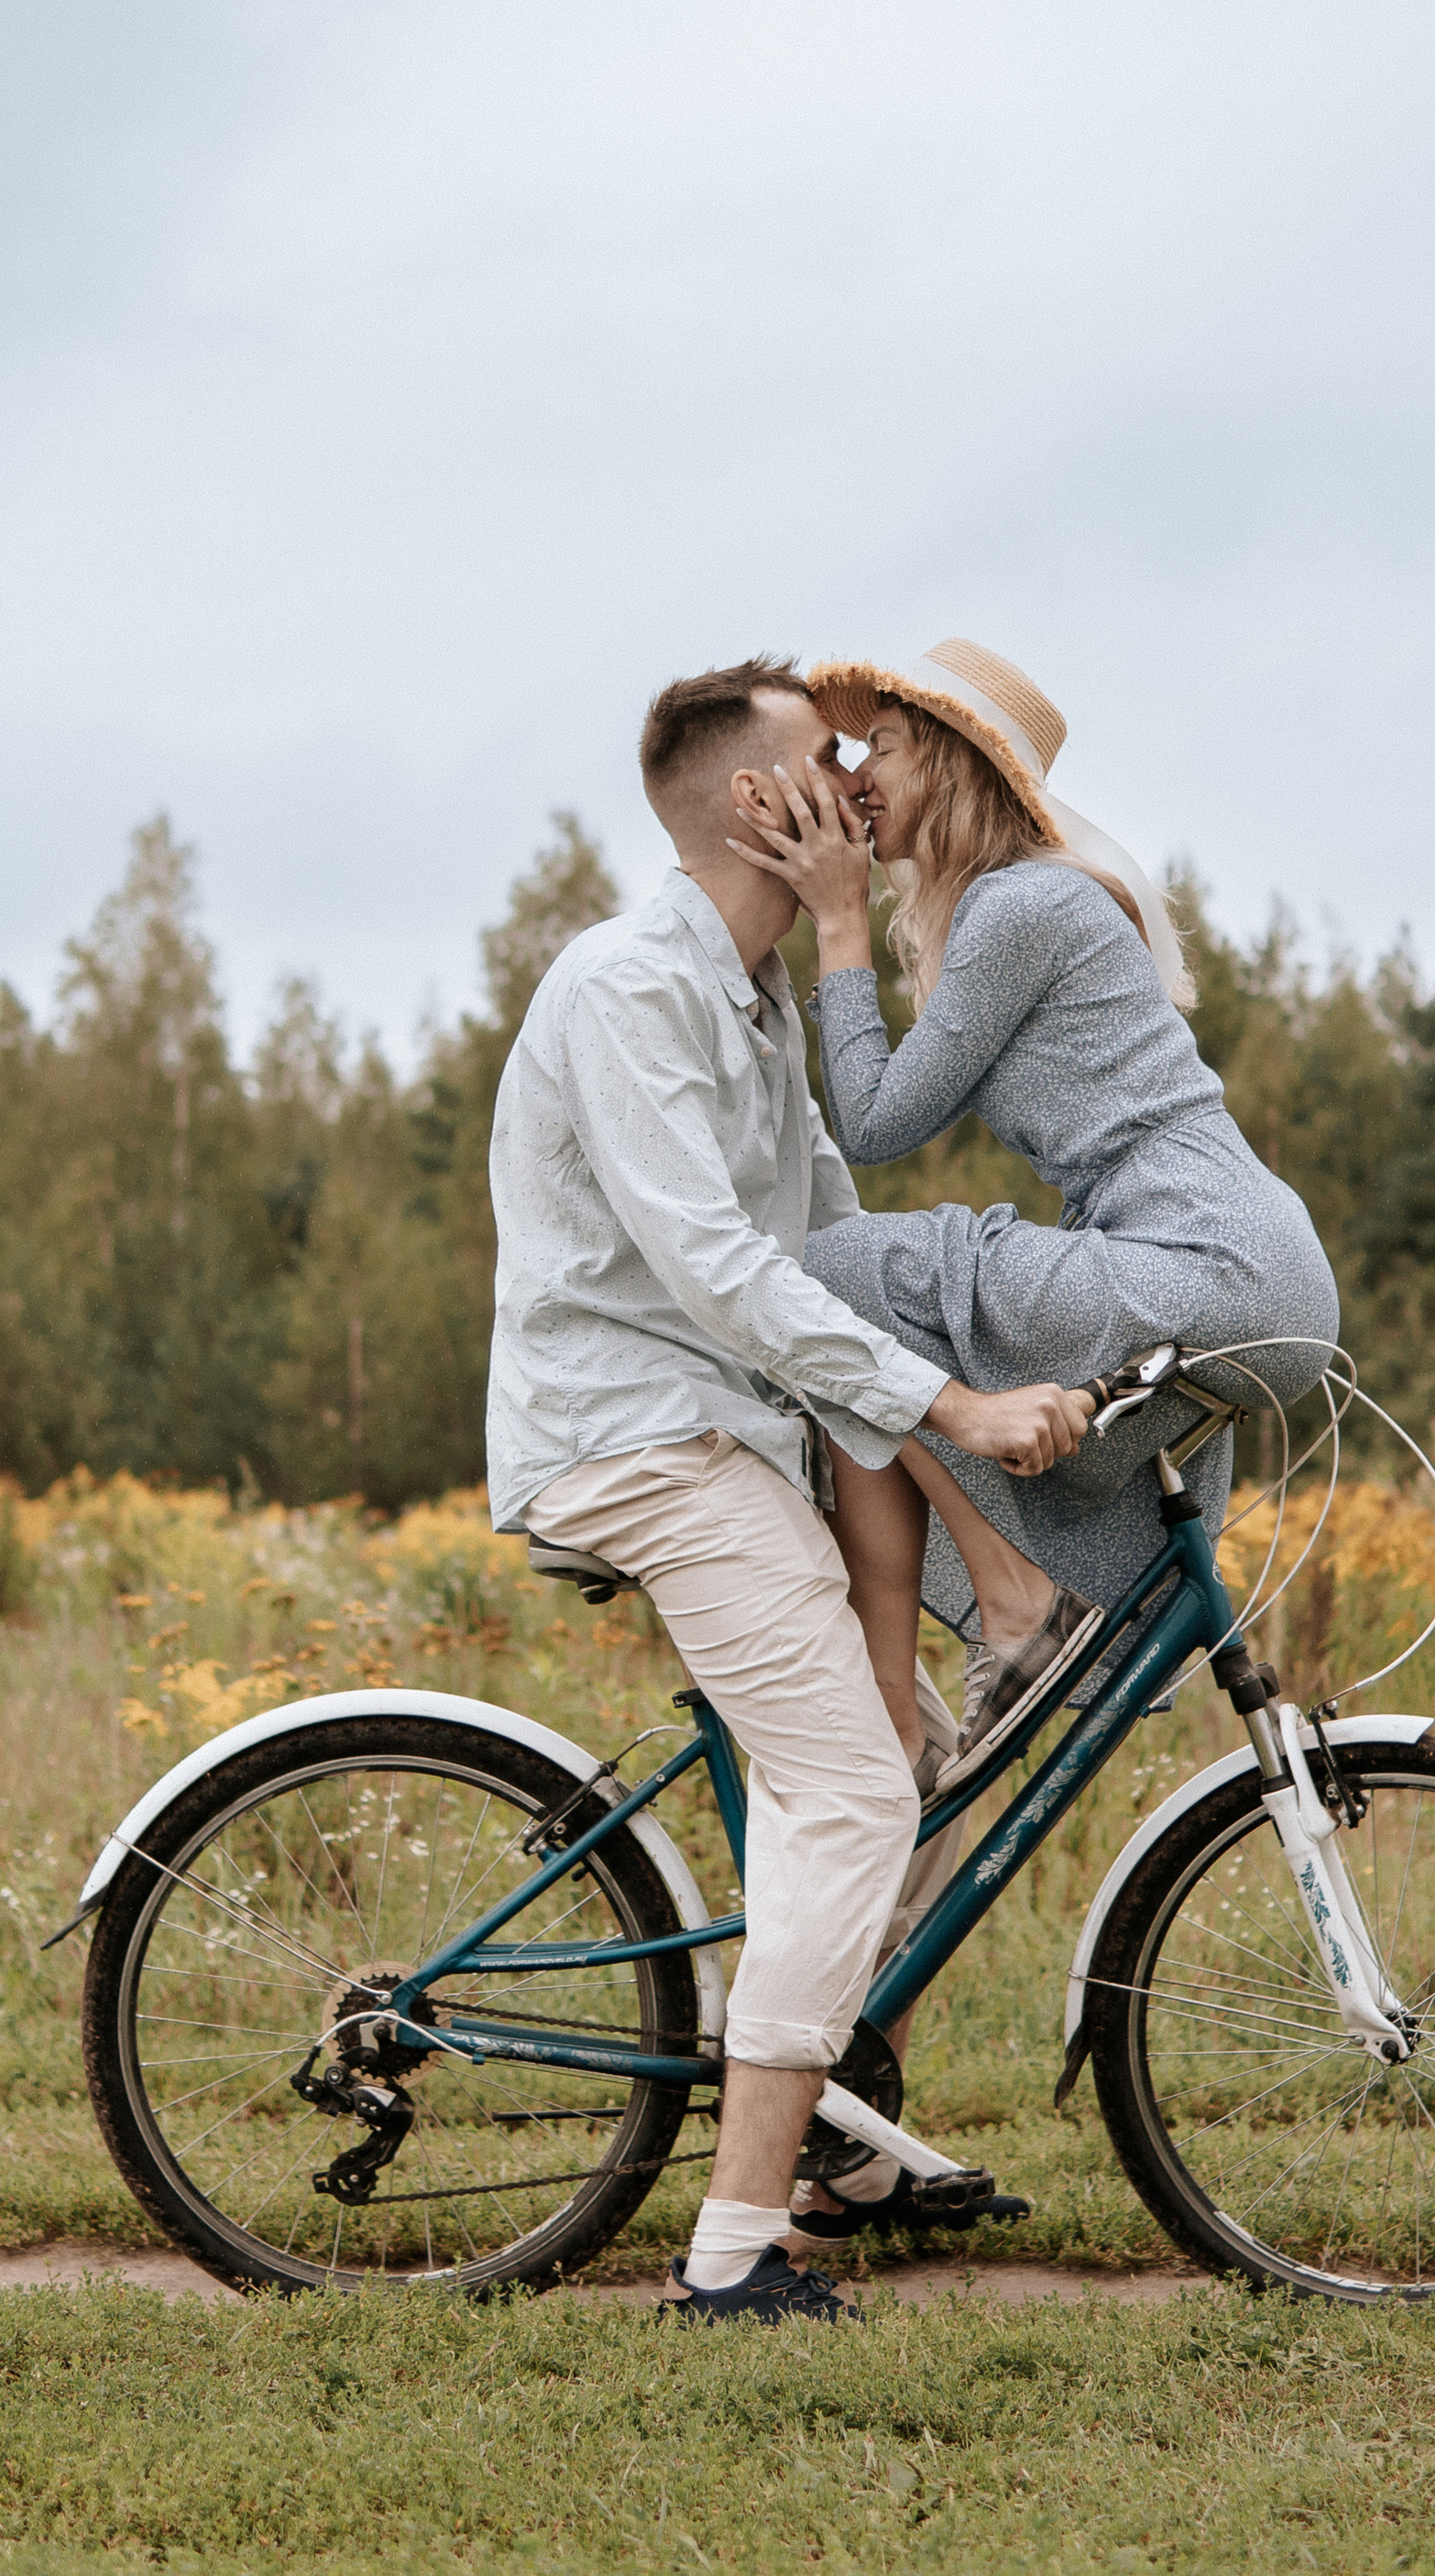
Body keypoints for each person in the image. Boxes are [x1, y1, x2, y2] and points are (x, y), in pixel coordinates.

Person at [486, 654, 1090, 2330]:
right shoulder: (630, 989)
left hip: (731, 1434)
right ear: (760, 804)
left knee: (885, 1757)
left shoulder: (754, 1003)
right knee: (852, 1796)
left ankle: (821, 2128)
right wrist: (960, 1405)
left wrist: (984, 1383)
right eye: (828, 756)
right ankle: (734, 2253)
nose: (858, 773)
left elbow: (833, 1254)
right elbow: (724, 1271)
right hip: (645, 1444)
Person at [728, 636, 1340, 1784]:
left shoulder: (1021, 908)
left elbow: (870, 1122)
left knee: (832, 1268)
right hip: (1241, 1268)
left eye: (887, 750)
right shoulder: (1031, 905)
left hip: (1208, 1265)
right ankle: (907, 1728)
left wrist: (840, 925)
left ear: (956, 767)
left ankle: (1010, 1613)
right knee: (896, 1332)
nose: (858, 777)